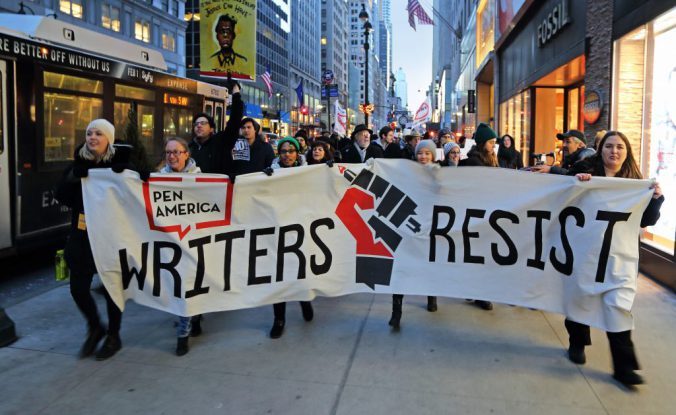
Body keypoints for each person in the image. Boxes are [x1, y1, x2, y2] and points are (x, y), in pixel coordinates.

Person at [564, 131, 664, 387]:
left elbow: (646, 220)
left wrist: (655, 199)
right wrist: (577, 183)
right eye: (609, 146)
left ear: (626, 151)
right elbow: (564, 201)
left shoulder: (635, 183)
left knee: (618, 308)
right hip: (587, 254)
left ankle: (624, 367)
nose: (614, 151)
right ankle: (577, 342)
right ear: (601, 149)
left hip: (619, 258)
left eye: (620, 147)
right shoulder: (587, 173)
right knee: (581, 298)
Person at [55, 119, 141, 360]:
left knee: (113, 288)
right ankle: (95, 326)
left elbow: (135, 197)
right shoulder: (78, 164)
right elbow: (61, 196)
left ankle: (114, 336)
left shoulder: (121, 166)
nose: (92, 137)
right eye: (90, 133)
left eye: (99, 134)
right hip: (82, 235)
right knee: (78, 289)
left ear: (109, 140)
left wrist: (136, 177)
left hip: (112, 236)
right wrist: (73, 177)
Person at [157, 137, 203, 356]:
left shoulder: (201, 179)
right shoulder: (157, 180)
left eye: (177, 152)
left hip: (195, 241)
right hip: (169, 244)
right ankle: (189, 321)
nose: (172, 156)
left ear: (187, 154)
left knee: (188, 285)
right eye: (168, 152)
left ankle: (184, 331)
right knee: (177, 285)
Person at [389, 139, 440, 330]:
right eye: (420, 153)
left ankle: (431, 297)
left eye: (427, 153)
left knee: (429, 264)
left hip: (430, 227)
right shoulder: (406, 173)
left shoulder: (441, 175)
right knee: (402, 267)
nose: (423, 156)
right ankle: (396, 310)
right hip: (408, 226)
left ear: (433, 156)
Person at [265, 137, 313, 338]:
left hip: (302, 228)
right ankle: (279, 319)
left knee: (299, 270)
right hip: (277, 229)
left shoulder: (309, 172)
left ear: (297, 153)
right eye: (283, 151)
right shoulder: (270, 172)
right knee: (278, 274)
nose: (287, 155)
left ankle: (305, 300)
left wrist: (328, 171)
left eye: (291, 151)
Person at [458, 123, 498, 310]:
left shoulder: (490, 158)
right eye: (491, 142)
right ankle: (477, 292)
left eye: (494, 142)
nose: (493, 145)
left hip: (488, 212)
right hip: (477, 214)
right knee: (478, 255)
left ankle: (476, 290)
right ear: (482, 143)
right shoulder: (475, 161)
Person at [189, 84, 243, 174]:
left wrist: (236, 93)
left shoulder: (221, 142)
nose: (199, 126)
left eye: (203, 123)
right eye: (196, 124)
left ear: (211, 129)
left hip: (219, 187)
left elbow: (235, 120)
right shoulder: (189, 147)